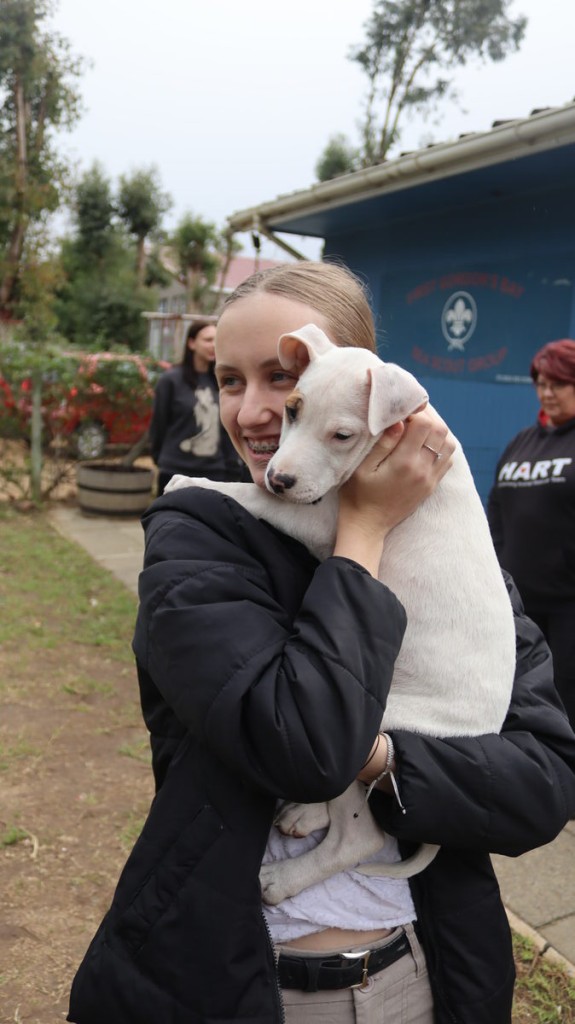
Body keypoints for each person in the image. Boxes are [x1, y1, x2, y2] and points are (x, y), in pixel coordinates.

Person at [68, 263, 575, 1024]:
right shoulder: (197, 542)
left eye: (282, 376)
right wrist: (365, 528)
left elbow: (541, 787)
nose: (253, 411)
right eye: (230, 380)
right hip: (244, 981)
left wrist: (378, 759)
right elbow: (301, 748)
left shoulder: (466, 569)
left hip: (423, 971)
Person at [487, 338, 575, 729]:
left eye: (557, 383)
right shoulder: (522, 443)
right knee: (519, 701)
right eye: (540, 384)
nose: (546, 393)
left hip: (568, 608)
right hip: (520, 608)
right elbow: (497, 512)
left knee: (566, 702)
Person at [149, 317, 244, 493]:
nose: (213, 345)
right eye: (208, 340)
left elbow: (227, 428)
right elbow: (159, 424)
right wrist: (159, 458)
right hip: (175, 472)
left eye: (217, 340)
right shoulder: (171, 380)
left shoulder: (221, 381)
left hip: (214, 473)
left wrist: (231, 466)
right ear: (191, 343)